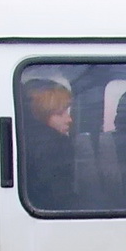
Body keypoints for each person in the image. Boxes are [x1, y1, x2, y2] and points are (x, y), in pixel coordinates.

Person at [22, 80, 75, 210]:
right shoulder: (55, 145)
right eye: (60, 114)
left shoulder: (26, 141)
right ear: (44, 115)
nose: (69, 119)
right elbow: (59, 194)